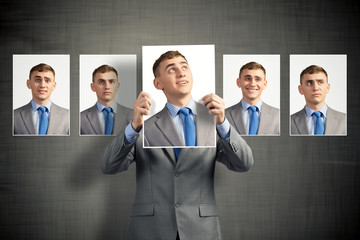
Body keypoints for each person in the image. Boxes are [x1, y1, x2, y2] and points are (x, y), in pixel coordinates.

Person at [100, 51, 254, 240]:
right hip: (149, 230)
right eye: (171, 69)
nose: (181, 73)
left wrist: (223, 123)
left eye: (184, 67)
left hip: (201, 229)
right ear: (158, 83)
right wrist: (133, 126)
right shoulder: (143, 124)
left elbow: (244, 163)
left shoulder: (214, 120)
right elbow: (108, 166)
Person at [13, 63, 69, 135]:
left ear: (54, 85)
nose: (42, 85)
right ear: (28, 83)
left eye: (47, 81)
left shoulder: (68, 116)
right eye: (37, 80)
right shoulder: (13, 116)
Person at [226, 61, 280, 135]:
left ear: (264, 84)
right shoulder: (224, 115)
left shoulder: (279, 116)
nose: (252, 84)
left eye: (257, 79)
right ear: (238, 82)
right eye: (247, 79)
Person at [291, 65, 346, 135]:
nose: (316, 88)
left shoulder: (345, 120)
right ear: (300, 89)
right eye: (309, 83)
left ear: (328, 88)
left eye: (320, 82)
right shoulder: (288, 122)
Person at [80, 65, 133, 135]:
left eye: (111, 81)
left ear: (117, 86)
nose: (107, 87)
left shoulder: (133, 115)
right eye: (101, 82)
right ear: (93, 87)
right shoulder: (80, 118)